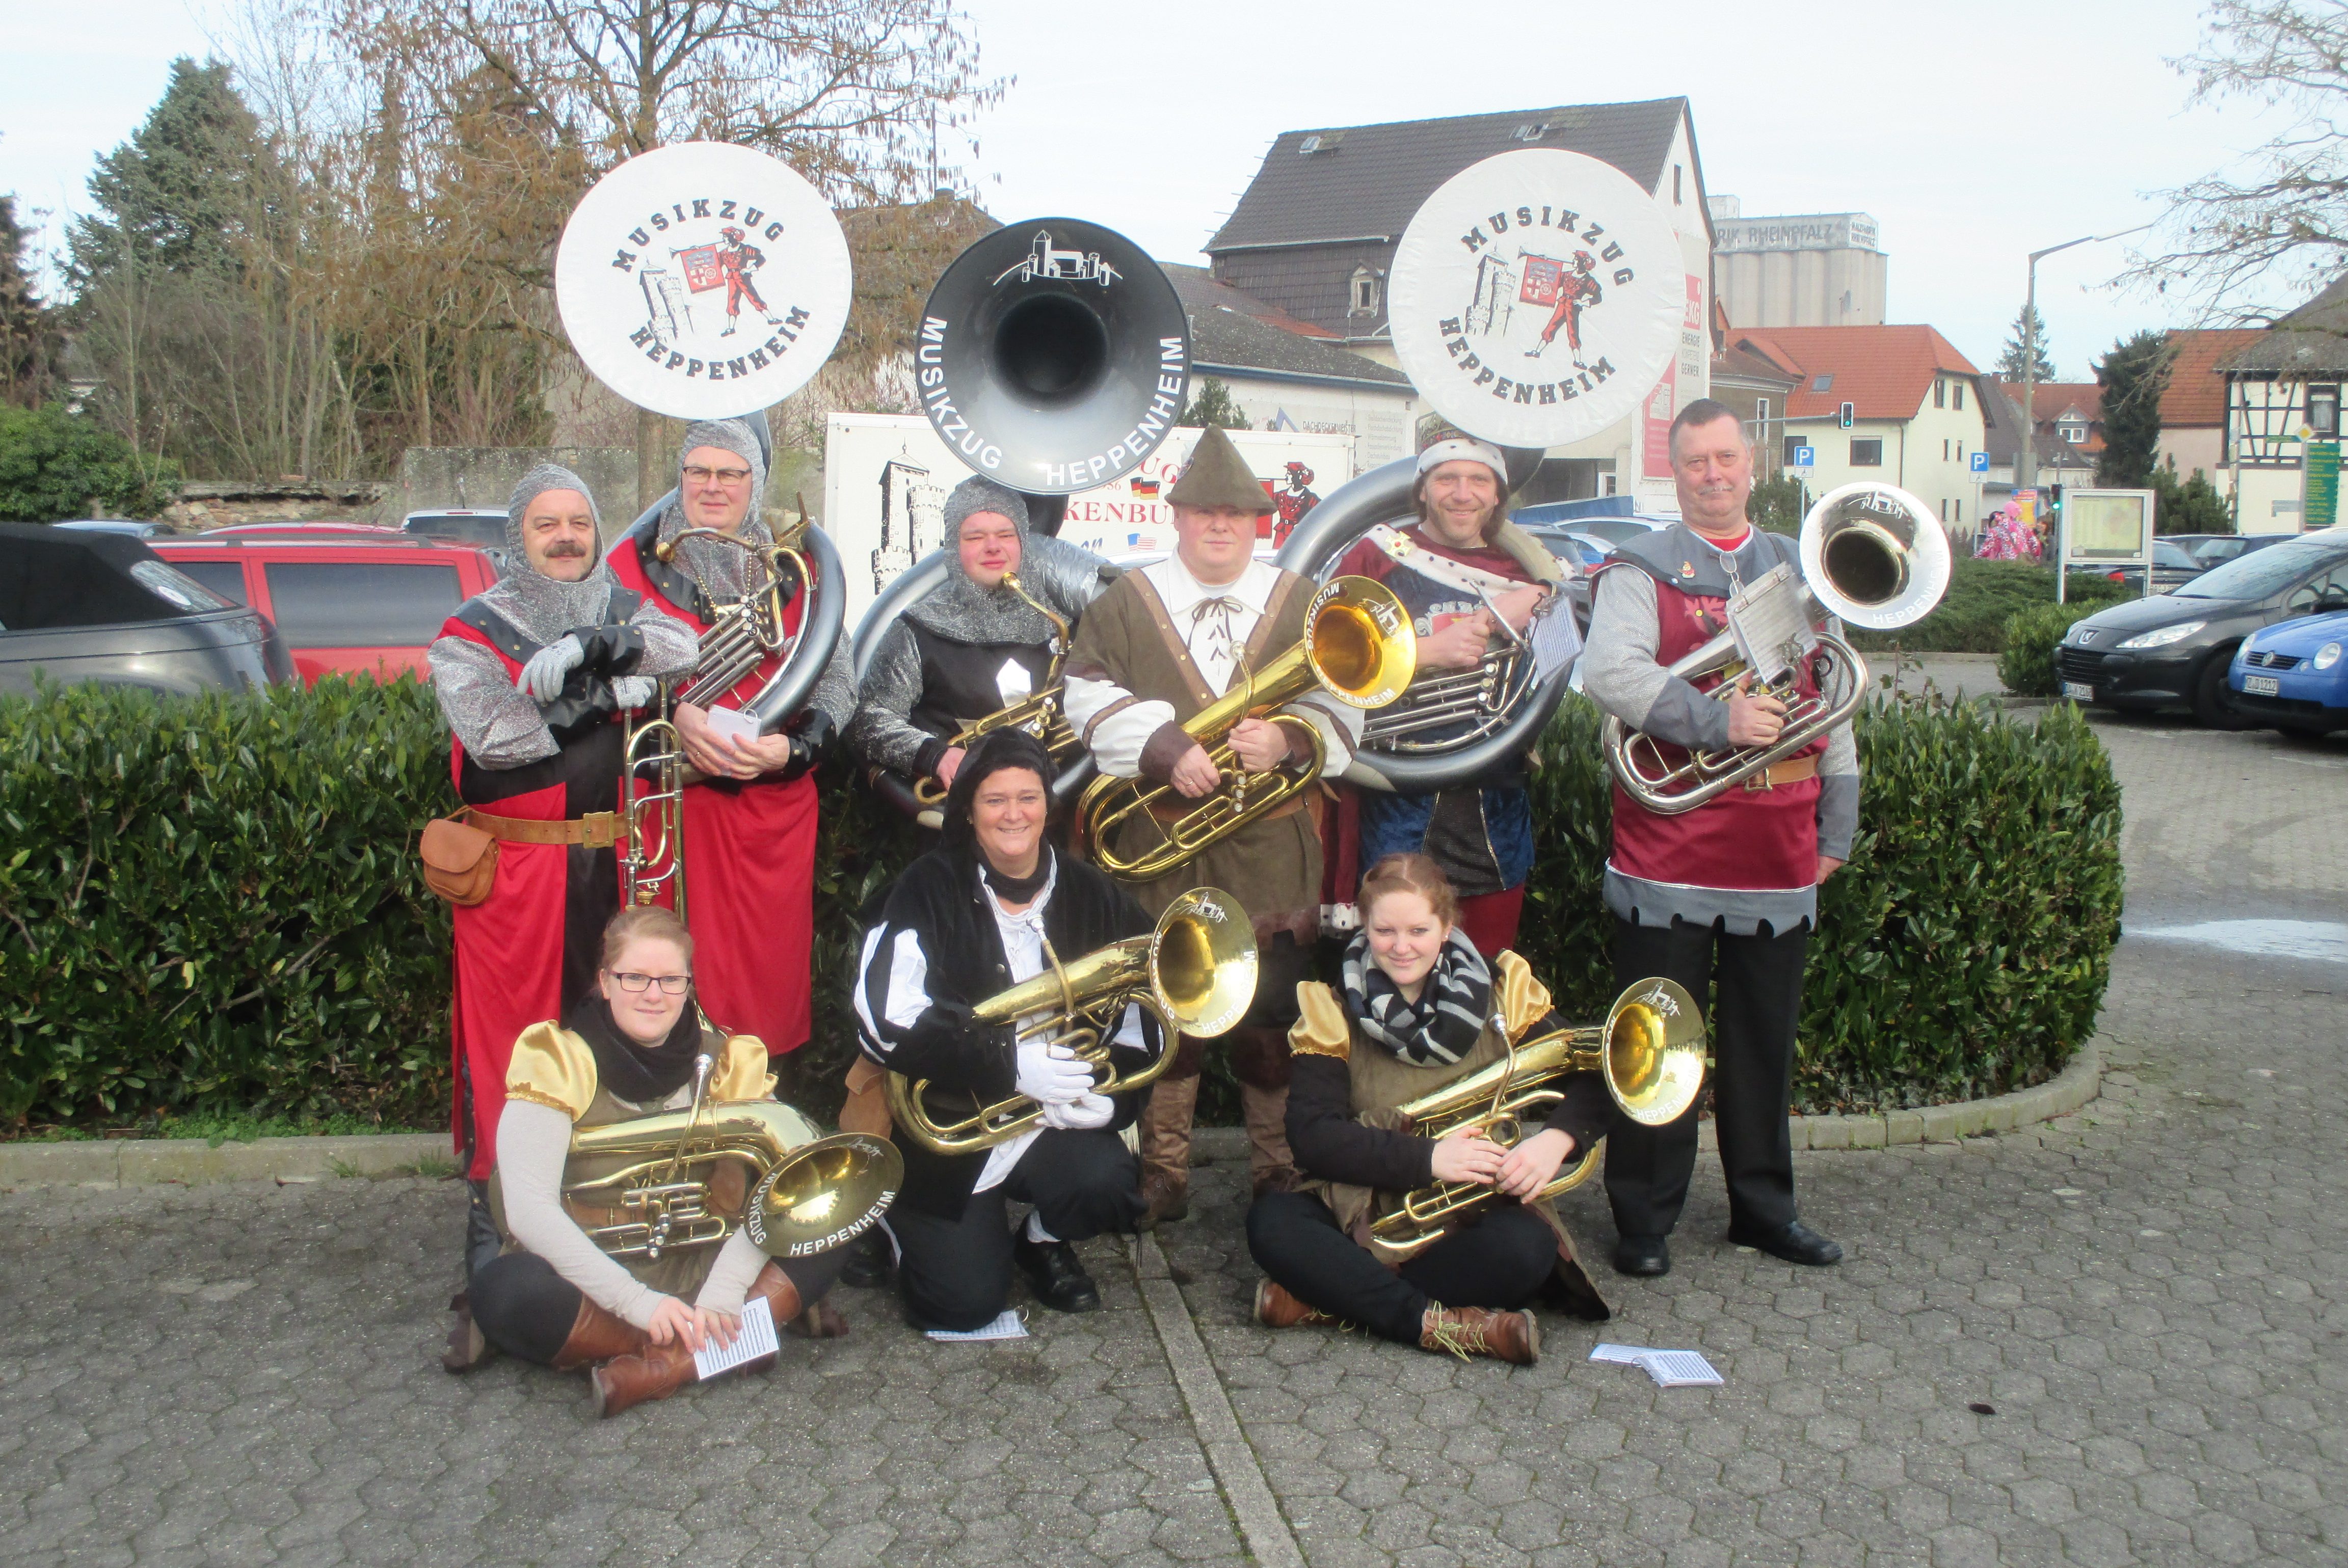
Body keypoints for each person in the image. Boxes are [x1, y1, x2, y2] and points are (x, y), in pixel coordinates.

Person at [1579, 397, 1854, 1277]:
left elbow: (1833, 695)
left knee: (1762, 1041)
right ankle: (1643, 1217)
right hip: (1672, 839)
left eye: (1726, 458)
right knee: (1658, 1034)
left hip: (1778, 841)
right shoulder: (1642, 567)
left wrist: (1838, 820)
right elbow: (1609, 671)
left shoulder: (1797, 568)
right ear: (1675, 470)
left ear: (1751, 463)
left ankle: (1764, 1211)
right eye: (1695, 461)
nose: (1712, 475)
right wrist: (1716, 720)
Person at [1061, 425, 1365, 1222]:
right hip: (1161, 844)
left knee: (1272, 1018)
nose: (1220, 525)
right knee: (1170, 1012)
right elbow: (1082, 694)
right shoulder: (1126, 600)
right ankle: (1164, 1172)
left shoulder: (1303, 602)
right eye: (1205, 512)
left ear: (1259, 522)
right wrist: (1163, 746)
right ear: (1178, 517)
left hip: (1271, 852)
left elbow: (1347, 703)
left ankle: (1277, 1172)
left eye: (1235, 513)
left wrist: (1289, 738)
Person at [428, 464, 699, 1306]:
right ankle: (496, 1252)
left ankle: (610, 1224)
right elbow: (501, 737)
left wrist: (598, 646)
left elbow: (683, 646)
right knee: (510, 1051)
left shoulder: (620, 606)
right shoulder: (470, 630)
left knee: (620, 1039)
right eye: (546, 524)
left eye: (579, 521)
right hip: (520, 877)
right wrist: (612, 693)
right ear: (519, 537)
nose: (566, 537)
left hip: (619, 866)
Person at [459, 906, 855, 1416]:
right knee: (504, 1292)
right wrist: (637, 1303)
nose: (653, 994)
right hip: (593, 1274)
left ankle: (660, 1365)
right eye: (635, 978)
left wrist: (726, 1288)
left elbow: (785, 1185)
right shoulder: (556, 1061)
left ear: (688, 986)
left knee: (829, 1220)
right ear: (605, 982)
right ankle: (729, 1342)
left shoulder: (729, 1061)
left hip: (705, 1262)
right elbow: (529, 1213)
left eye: (671, 980)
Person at [1247, 853, 1609, 1364]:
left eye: (1419, 930)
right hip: (1365, 1207)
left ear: (1447, 928)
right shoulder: (1332, 1009)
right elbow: (1312, 1136)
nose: (1401, 947)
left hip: (1475, 1207)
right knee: (1272, 1222)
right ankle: (1434, 1324)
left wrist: (1556, 1141)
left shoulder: (1505, 994)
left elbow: (1598, 1076)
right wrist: (1431, 1158)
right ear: (1364, 927)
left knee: (1527, 1248)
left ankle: (1330, 1301)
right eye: (1385, 931)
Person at [851, 730, 1155, 1330]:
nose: (1013, 814)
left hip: (1047, 1121)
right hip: (949, 1131)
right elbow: (884, 1021)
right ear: (969, 810)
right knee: (960, 1305)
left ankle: (1042, 1241)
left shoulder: (1094, 894)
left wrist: (1112, 1095)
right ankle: (891, 1218)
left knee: (1108, 1181)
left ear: (1048, 806)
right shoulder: (926, 888)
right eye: (995, 800)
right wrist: (1008, 1062)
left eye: (1028, 797)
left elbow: (1146, 1014)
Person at [606, 419, 855, 1063]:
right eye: (698, 471)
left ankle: (756, 1103)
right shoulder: (628, 567)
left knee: (765, 984)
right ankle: (664, 1100)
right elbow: (602, 676)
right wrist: (675, 712)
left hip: (772, 809)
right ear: (681, 477)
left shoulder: (798, 568)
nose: (712, 486)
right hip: (671, 809)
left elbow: (836, 680)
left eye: (731, 473)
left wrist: (794, 750)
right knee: (662, 970)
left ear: (756, 481)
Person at [1329, 434, 1570, 957]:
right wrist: (1425, 652)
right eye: (1447, 479)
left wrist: (1543, 597)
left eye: (1479, 480)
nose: (1463, 494)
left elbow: (1566, 663)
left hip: (1495, 806)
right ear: (1423, 489)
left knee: (1488, 970)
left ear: (1497, 493)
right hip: (1398, 799)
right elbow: (1326, 657)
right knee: (1394, 967)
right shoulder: (1378, 554)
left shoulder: (1528, 569)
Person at [848, 475, 1120, 808]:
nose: (993, 547)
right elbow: (870, 718)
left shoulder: (1063, 624)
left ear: (1023, 542)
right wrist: (935, 756)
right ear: (954, 547)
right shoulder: (916, 629)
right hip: (956, 817)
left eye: (1006, 535)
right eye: (975, 537)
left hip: (1061, 811)